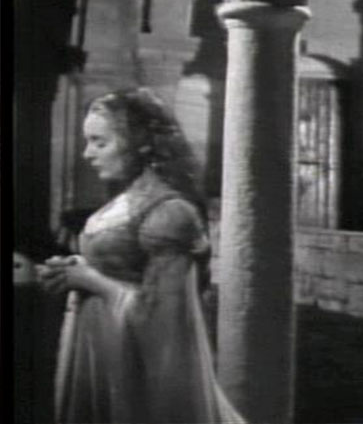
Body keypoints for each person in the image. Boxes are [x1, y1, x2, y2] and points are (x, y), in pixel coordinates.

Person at [37, 87, 244, 424]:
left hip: (135, 371)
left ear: (141, 143)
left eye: (100, 143)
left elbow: (165, 323)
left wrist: (89, 279)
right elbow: (119, 270)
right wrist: (77, 268)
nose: (88, 154)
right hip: (101, 347)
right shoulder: (126, 200)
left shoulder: (169, 213)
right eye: (88, 142)